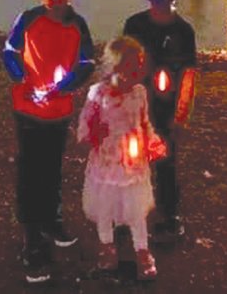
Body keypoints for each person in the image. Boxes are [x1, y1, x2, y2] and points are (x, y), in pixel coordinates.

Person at [2, 0, 95, 284]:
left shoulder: (78, 24)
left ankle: (51, 219)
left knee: (53, 167)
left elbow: (86, 61)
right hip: (27, 111)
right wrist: (22, 80)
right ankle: (31, 237)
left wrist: (62, 88)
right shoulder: (28, 19)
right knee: (30, 170)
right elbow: (10, 51)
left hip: (58, 112)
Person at [78, 36, 163, 280]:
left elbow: (144, 124)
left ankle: (142, 249)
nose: (140, 70)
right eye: (134, 66)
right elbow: (84, 128)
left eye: (141, 65)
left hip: (133, 165)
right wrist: (94, 132)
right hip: (106, 163)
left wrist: (153, 143)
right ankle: (107, 246)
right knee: (104, 209)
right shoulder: (98, 94)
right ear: (116, 67)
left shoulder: (139, 93)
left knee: (136, 211)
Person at [122, 0, 197, 239]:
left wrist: (182, 113)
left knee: (167, 161)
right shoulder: (134, 25)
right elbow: (123, 66)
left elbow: (189, 74)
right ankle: (128, 212)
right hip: (137, 105)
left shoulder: (184, 32)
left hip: (167, 108)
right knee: (131, 160)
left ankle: (170, 213)